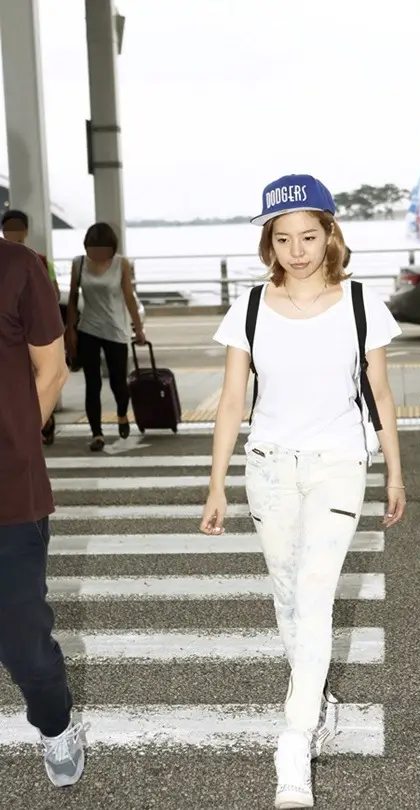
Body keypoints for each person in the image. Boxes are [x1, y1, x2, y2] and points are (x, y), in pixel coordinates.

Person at [200, 174, 406, 809]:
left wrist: (396, 470)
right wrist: (216, 484)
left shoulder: (364, 304)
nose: (297, 250)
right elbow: (234, 401)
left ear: (330, 234)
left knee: (315, 597)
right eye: (283, 238)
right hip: (268, 467)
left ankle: (293, 745)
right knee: (289, 597)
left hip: (340, 462)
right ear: (270, 241)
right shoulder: (251, 309)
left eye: (309, 236)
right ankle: (315, 699)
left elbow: (380, 393)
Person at [0, 238, 85, 786]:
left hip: (10, 496)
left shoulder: (17, 266)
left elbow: (51, 370)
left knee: (24, 639)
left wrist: (17, 442)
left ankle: (56, 725)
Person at [65, 222, 145, 451]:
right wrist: (70, 330)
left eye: (103, 248)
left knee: (119, 383)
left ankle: (121, 414)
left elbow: (129, 296)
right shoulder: (78, 263)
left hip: (116, 330)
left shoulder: (121, 263)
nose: (98, 253)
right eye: (94, 247)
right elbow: (72, 298)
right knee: (93, 384)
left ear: (112, 247)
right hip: (88, 329)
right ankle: (96, 434)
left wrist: (137, 328)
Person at [1, 208, 61, 445]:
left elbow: (54, 372)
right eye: (8, 228)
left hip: (37, 333)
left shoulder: (36, 260)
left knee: (37, 377)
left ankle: (44, 423)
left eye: (16, 228)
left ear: (26, 231)